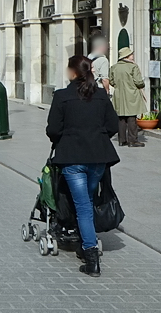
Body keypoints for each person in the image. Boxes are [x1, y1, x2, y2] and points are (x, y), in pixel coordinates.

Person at [46, 54, 120, 277]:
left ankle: (91, 256)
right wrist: (97, 136)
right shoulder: (100, 96)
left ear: (73, 72)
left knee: (84, 206)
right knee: (86, 201)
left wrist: (65, 138)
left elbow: (53, 130)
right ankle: (82, 241)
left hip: (73, 158)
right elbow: (113, 125)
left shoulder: (62, 96)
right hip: (97, 157)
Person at [110, 38, 147, 148]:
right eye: (131, 54)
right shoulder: (132, 67)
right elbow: (138, 81)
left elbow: (111, 81)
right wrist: (141, 85)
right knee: (131, 118)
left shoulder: (114, 67)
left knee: (121, 118)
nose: (132, 55)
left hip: (119, 95)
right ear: (127, 56)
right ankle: (133, 140)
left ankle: (122, 140)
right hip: (131, 94)